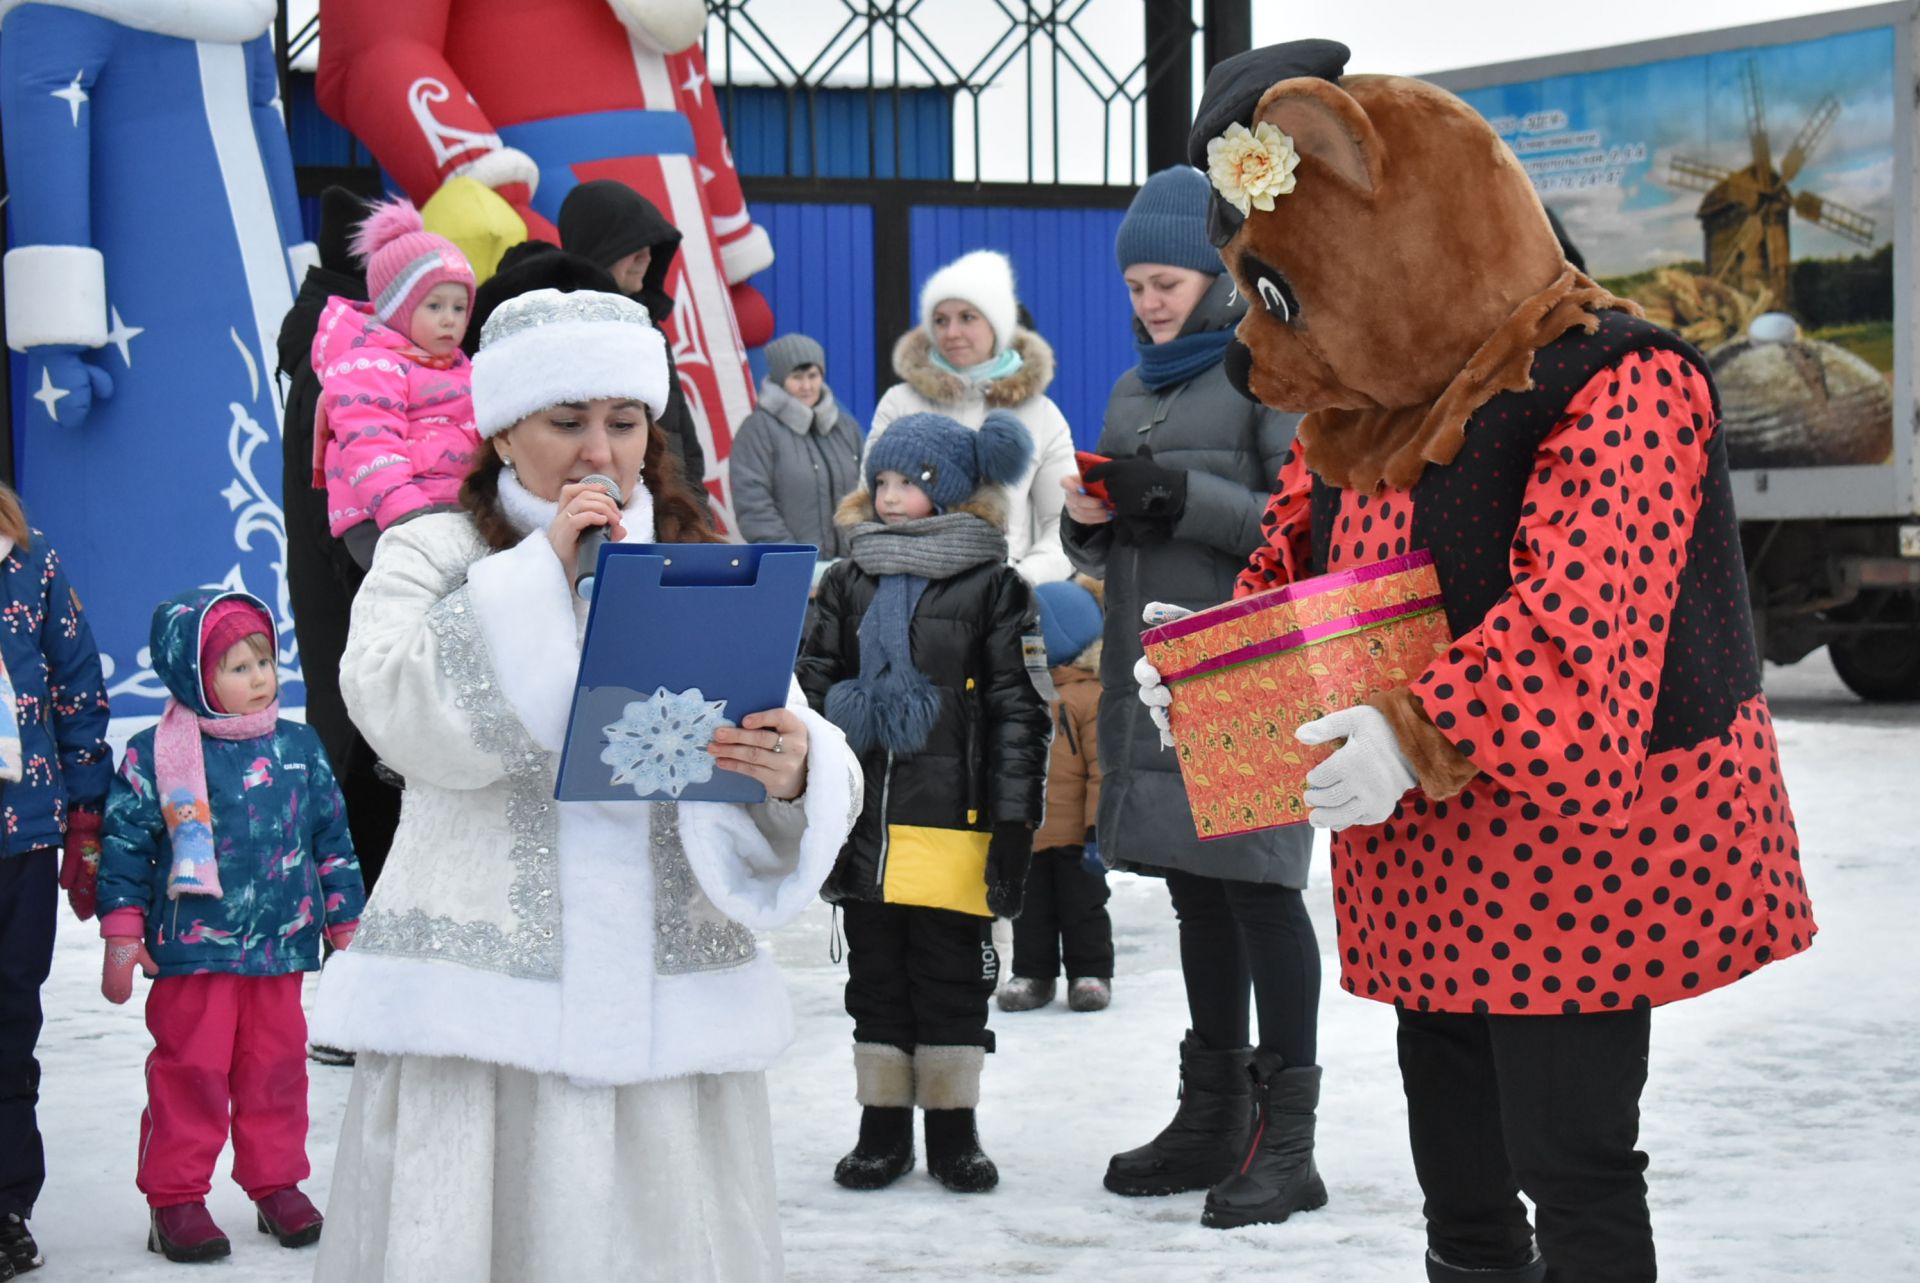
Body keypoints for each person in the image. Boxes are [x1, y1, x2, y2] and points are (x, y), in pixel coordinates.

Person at [1138, 40, 1816, 1281]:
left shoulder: (1621, 381)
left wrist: (1412, 731)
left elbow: (1581, 614)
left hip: (1581, 846)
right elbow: (1303, 557)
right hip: (1426, 857)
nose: (1255, 348)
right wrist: (1217, 664)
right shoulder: (1365, 402)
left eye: (1279, 300)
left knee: (1572, 1160)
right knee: (1456, 1166)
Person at [309, 289, 860, 1282]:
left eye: (624, 421)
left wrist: (798, 767)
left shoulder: (698, 558)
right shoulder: (432, 553)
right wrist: (534, 578)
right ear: (504, 428)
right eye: (567, 421)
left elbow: (773, 715)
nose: (598, 450)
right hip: (482, 1016)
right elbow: (386, 702)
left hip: (664, 1008)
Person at [1057, 165, 1316, 1227]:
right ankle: (1210, 1115)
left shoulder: (1276, 370)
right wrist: (1090, 516)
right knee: (1195, 886)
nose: (1149, 303)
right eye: (1136, 287)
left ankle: (1287, 1138)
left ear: (1219, 273)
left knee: (1258, 887)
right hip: (1158, 666)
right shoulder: (1136, 387)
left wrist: (1183, 497)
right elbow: (1120, 532)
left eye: (1166, 282)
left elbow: (1303, 528)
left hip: (1252, 661)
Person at [797, 409, 1051, 1195]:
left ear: (947, 489)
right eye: (880, 480)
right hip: (865, 821)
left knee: (949, 978)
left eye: (908, 481)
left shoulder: (997, 586)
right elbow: (805, 693)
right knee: (876, 976)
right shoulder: (844, 580)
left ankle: (952, 1129)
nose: (889, 494)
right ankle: (881, 1130)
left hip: (955, 821)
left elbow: (1019, 710)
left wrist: (1015, 822)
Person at [95, 592, 365, 1263]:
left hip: (280, 945)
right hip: (196, 952)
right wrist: (124, 930)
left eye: (265, 661)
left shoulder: (299, 746)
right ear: (194, 676)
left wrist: (347, 920)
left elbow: (331, 836)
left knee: (275, 1070)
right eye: (238, 666)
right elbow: (125, 845)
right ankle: (175, 1196)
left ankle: (276, 1181)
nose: (260, 678)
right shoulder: (156, 753)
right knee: (192, 1070)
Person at [277, 187, 404, 907]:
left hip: (337, 596)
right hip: (357, 593)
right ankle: (359, 928)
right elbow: (342, 500)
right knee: (361, 756)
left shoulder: (325, 337)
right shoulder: (341, 356)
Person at [0, 485, 111, 1281]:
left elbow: (76, 686)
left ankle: (6, 1202)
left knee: (8, 1026)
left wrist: (85, 819)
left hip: (23, 839)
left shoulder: (27, 558)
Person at [868, 250, 1076, 585]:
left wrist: (1020, 580)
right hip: (907, 591)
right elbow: (869, 505)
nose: (951, 332)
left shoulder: (1041, 414)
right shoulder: (899, 402)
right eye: (940, 320)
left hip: (1000, 596)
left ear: (997, 323)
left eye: (967, 317)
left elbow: (1065, 525)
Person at [311, 199, 480, 570]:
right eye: (434, 306)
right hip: (386, 517)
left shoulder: (458, 367)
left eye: (459, 307)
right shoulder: (370, 366)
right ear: (398, 310)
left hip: (452, 508)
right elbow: (371, 444)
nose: (450, 320)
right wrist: (405, 514)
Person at [558, 179, 712, 508]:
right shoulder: (562, 336)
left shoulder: (650, 331)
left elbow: (682, 440)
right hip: (600, 520)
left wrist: (695, 514)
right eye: (632, 245)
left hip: (669, 519)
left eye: (651, 245)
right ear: (598, 248)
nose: (646, 256)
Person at [998, 576, 1113, 1014]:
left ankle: (1091, 971)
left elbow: (1102, 769)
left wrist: (1096, 829)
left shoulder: (1089, 697)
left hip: (1076, 836)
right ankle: (1033, 973)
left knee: (1084, 908)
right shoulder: (1021, 697)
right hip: (1030, 834)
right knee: (1030, 911)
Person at [731, 333, 864, 569]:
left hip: (851, 572)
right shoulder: (758, 430)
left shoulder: (846, 428)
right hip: (792, 574)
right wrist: (794, 562)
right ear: (780, 380)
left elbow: (867, 493)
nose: (807, 386)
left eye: (813, 375)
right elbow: (754, 507)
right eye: (797, 377)